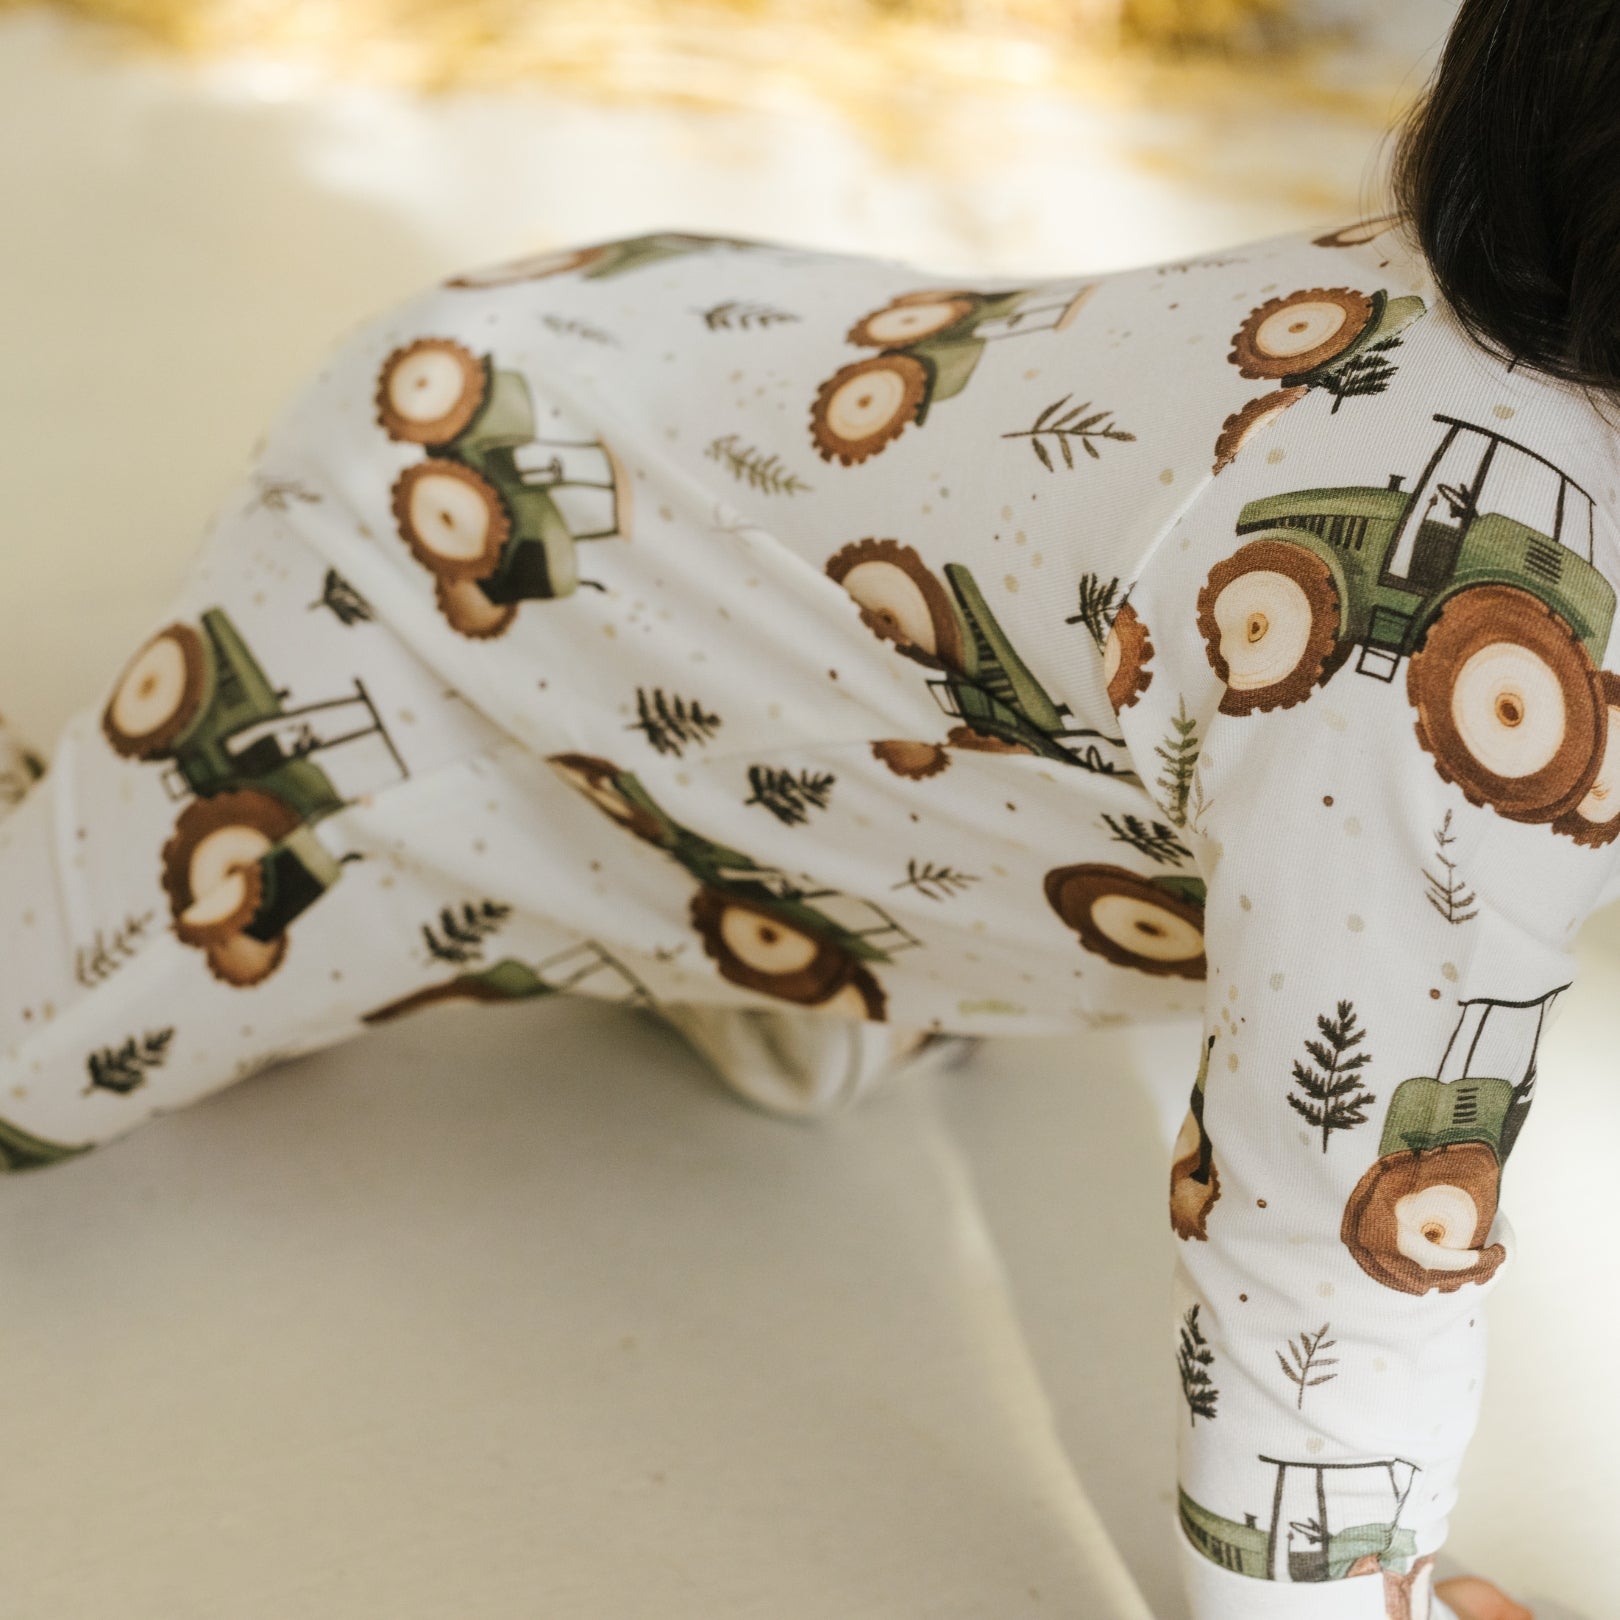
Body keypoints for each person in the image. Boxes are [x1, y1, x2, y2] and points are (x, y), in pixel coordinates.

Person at [3, 0, 1611, 1614]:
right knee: (34, 1052)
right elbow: (1343, 1232)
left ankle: (735, 908)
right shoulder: (1471, 624)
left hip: (769, 579)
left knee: (830, 1027)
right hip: (447, 551)